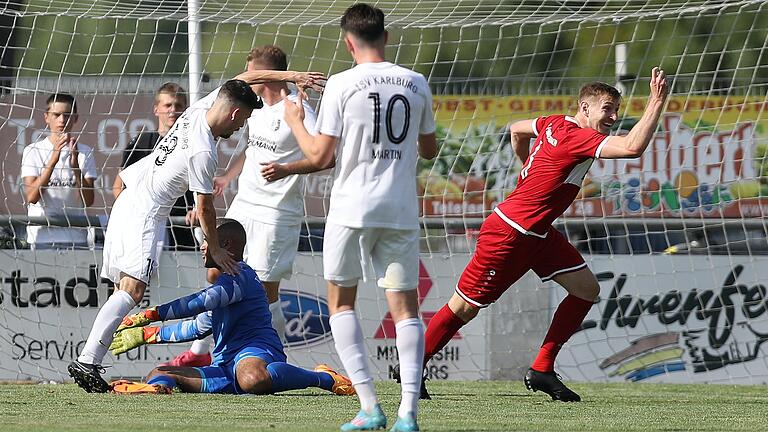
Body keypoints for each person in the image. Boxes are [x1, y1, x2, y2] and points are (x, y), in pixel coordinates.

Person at [414, 68, 669, 402]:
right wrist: (657, 100)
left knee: (586, 290)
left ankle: (542, 369)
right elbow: (633, 147)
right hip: (510, 233)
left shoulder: (555, 122)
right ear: (586, 108)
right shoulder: (578, 137)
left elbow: (516, 129)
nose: (614, 116)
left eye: (616, 109)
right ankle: (412, 369)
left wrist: (526, 167)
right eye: (608, 108)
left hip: (537, 233)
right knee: (464, 308)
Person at [67, 68, 325, 394]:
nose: (241, 126)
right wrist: (215, 247)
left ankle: (89, 359)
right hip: (146, 212)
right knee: (131, 290)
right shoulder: (204, 149)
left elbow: (246, 77)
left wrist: (291, 75)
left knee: (125, 287)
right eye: (242, 120)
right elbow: (205, 207)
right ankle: (88, 360)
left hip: (129, 197)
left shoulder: (199, 109)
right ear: (233, 112)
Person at [283, 4, 438, 431]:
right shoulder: (416, 82)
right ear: (386, 38)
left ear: (348, 42)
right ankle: (409, 413)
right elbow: (430, 149)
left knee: (341, 303)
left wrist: (296, 120)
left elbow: (319, 155)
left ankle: (370, 406)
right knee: (406, 309)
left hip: (352, 208)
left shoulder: (342, 83)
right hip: (401, 209)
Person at [165, 45, 320, 367]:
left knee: (264, 292)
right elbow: (252, 149)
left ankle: (274, 358)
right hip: (244, 204)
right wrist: (226, 178)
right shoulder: (257, 109)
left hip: (277, 213)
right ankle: (201, 352)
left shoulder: (298, 109)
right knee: (216, 273)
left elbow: (324, 158)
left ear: (266, 74)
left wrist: (286, 169)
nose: (249, 80)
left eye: (254, 73)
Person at [106, 218, 355, 397]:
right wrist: (146, 335)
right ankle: (156, 390)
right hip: (226, 366)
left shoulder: (239, 277)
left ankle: (324, 377)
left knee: (251, 378)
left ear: (225, 245)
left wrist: (152, 314)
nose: (202, 246)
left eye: (207, 241)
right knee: (160, 372)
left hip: (256, 353)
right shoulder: (225, 283)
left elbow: (202, 302)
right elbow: (197, 327)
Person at [112, 82, 197, 250]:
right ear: (156, 109)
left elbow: (202, 185)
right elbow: (118, 186)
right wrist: (134, 212)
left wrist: (197, 208)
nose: (173, 110)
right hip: (146, 229)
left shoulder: (193, 144)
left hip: (180, 228)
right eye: (167, 105)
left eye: (178, 105)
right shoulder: (141, 143)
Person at [21, 93, 97, 249]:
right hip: (41, 239)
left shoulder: (84, 152)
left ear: (75, 119)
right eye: (56, 115)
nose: (62, 120)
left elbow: (88, 201)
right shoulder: (33, 150)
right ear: (46, 117)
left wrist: (75, 167)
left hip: (76, 238)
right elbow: (32, 197)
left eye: (67, 115)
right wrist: (53, 160)